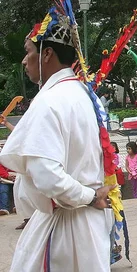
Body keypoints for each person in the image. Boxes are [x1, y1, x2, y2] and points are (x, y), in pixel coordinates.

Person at [0, 24, 114, 271]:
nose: (24, 60)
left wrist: (90, 196)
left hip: (64, 227)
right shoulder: (86, 96)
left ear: (47, 54)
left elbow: (48, 177)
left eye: (28, 51)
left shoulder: (50, 101)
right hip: (90, 223)